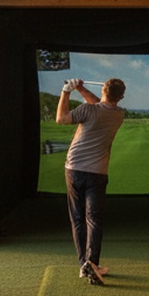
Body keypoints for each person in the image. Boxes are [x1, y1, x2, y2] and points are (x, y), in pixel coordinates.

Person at [56, 77, 126, 285]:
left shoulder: (88, 110)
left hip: (73, 169)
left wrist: (67, 91)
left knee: (77, 219)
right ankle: (91, 264)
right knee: (93, 219)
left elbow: (61, 119)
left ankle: (84, 266)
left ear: (103, 89)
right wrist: (81, 88)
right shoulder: (119, 114)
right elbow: (101, 102)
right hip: (97, 173)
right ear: (121, 96)